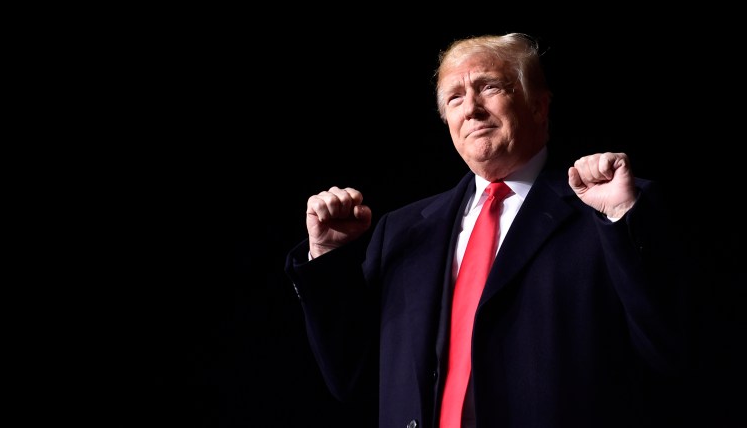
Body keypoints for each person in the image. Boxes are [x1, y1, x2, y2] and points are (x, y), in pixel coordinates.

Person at [284, 33, 689, 428]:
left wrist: (621, 215)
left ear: (539, 107)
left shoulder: (606, 207)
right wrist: (328, 256)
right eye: (454, 98)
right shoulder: (403, 229)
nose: (471, 110)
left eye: (489, 87)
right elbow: (351, 378)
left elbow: (670, 349)